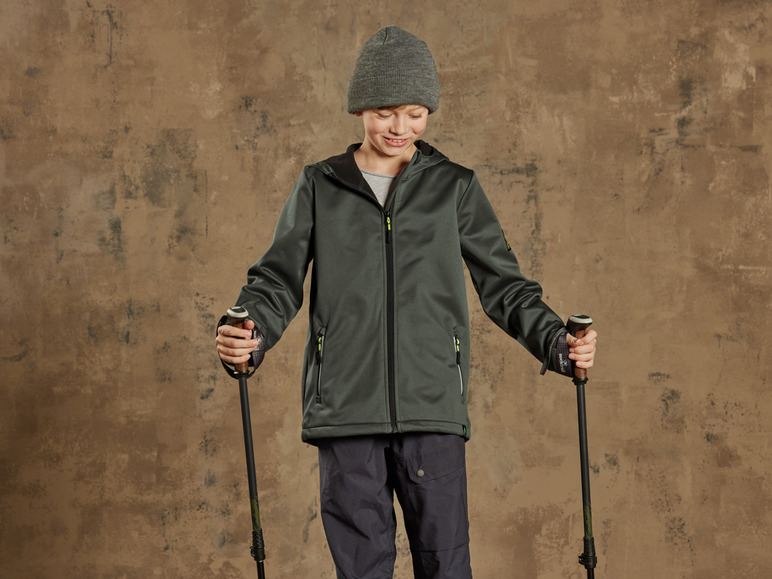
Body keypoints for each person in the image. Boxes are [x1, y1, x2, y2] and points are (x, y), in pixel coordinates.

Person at [216, 26, 597, 579]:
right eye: (385, 112)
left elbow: (505, 285)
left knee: (446, 566)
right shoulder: (319, 185)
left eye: (415, 113)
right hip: (345, 410)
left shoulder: (454, 188)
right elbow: (276, 280)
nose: (400, 128)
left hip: (432, 408)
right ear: (359, 109)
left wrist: (556, 341)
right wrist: (247, 332)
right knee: (362, 570)